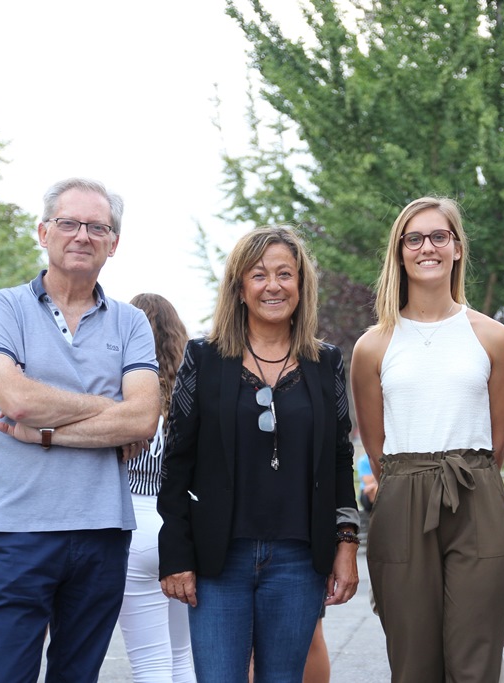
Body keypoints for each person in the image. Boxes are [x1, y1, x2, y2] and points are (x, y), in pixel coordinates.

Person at [0, 178, 160, 682]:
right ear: (43, 232)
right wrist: (107, 411)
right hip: (20, 531)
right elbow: (17, 400)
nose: (82, 235)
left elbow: (143, 418)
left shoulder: (131, 322)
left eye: (97, 226)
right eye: (69, 223)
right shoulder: (0, 308)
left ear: (113, 243)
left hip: (104, 530)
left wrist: (48, 433)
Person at [157, 226, 359, 681]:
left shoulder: (325, 362)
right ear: (240, 288)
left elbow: (338, 459)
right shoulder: (203, 358)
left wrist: (346, 543)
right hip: (217, 561)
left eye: (285, 273)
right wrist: (176, 556)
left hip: (297, 561)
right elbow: (176, 464)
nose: (273, 285)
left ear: (302, 285)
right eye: (259, 274)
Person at [351, 196, 504, 682]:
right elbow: (376, 446)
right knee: (412, 665)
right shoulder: (373, 345)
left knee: (475, 664)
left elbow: (497, 439)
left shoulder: (492, 337)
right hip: (402, 498)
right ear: (399, 251)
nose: (428, 247)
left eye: (439, 236)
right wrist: (409, 484)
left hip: (476, 493)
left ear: (458, 247)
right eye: (415, 238)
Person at [120, 293, 195, 682]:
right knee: (182, 657)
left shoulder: (125, 391)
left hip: (132, 521)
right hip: (180, 528)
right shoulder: (190, 392)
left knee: (149, 660)